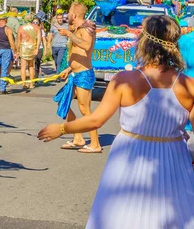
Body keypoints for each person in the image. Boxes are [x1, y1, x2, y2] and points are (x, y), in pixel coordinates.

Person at [39, 15, 194, 228]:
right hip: (174, 158)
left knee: (123, 216)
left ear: (145, 42)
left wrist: (62, 128)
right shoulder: (189, 85)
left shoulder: (125, 80)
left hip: (131, 156)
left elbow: (96, 120)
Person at [52, 2, 100, 153]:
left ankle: (95, 144)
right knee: (62, 101)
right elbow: (78, 52)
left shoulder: (87, 29)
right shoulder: (79, 29)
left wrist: (69, 35)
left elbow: (86, 46)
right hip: (74, 73)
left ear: (74, 15)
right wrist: (68, 68)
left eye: (69, 13)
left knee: (85, 110)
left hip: (84, 74)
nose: (67, 15)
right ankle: (78, 138)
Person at [17, 14, 41, 91]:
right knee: (31, 66)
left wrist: (17, 51)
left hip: (24, 47)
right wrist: (37, 48)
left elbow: (18, 41)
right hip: (32, 47)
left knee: (23, 67)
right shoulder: (37, 27)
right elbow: (39, 39)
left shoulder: (21, 28)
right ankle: (31, 83)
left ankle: (24, 83)